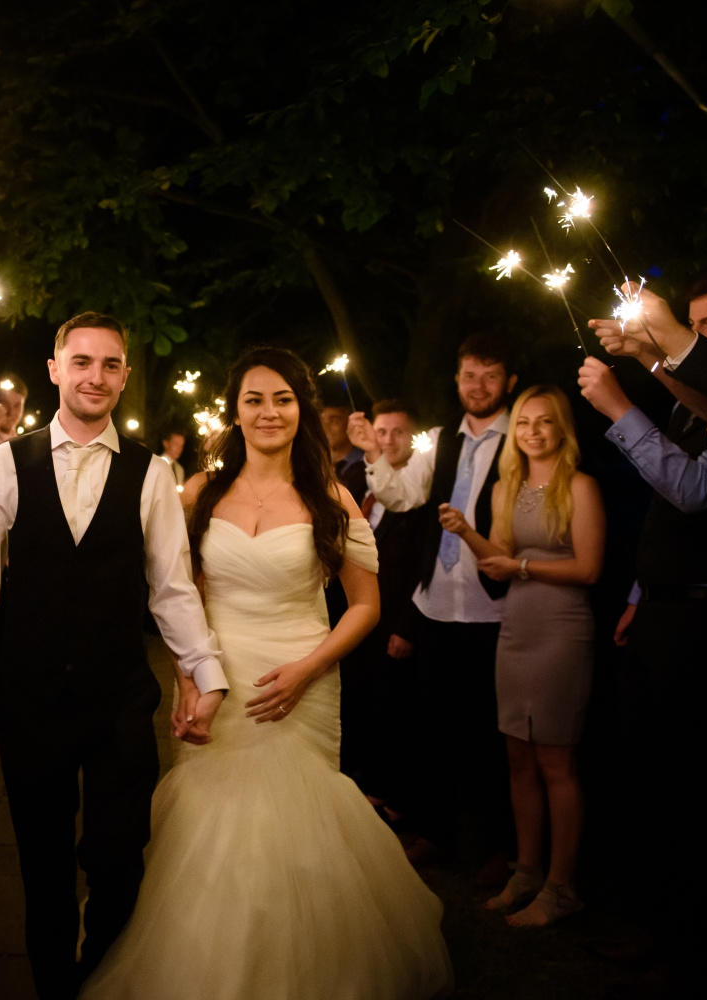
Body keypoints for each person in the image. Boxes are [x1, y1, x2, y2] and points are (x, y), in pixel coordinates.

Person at [80, 347, 452, 999]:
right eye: (254, 399)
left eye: (282, 398)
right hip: (220, 682)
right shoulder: (200, 493)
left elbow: (367, 605)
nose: (269, 411)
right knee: (214, 826)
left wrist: (309, 668)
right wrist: (188, 681)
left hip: (301, 678)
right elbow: (183, 598)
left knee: (293, 826)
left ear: (302, 409)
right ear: (234, 412)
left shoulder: (330, 497)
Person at [0, 312, 230, 999]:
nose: (95, 376)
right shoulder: (3, 467)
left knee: (120, 859)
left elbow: (172, 587)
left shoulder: (151, 472)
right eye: (82, 361)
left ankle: (102, 977)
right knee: (41, 870)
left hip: (120, 699)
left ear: (124, 376)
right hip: (31, 698)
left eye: (109, 364)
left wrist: (205, 669)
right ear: (55, 369)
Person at [438, 385, 604, 927]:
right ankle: (527, 870)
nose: (533, 432)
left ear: (562, 430)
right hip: (517, 628)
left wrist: (524, 570)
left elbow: (588, 570)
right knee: (518, 756)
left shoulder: (579, 486)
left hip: (561, 629)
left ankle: (563, 886)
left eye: (545, 423)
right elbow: (500, 559)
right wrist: (466, 533)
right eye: (526, 423)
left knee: (556, 759)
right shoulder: (508, 489)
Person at [363, 332, 516, 869]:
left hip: (494, 605)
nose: (478, 385)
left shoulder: (520, 434)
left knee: (491, 730)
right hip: (436, 602)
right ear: (456, 380)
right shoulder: (436, 439)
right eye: (469, 375)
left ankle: (494, 841)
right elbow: (403, 496)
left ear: (509, 382)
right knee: (434, 726)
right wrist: (375, 456)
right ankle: (434, 829)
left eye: (490, 374)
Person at [342, 399, 426, 816]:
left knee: (392, 707)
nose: (388, 439)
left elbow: (423, 560)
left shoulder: (421, 485)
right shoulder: (356, 475)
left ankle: (390, 796)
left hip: (396, 613)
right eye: (381, 431)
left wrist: (408, 626)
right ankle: (353, 783)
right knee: (355, 698)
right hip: (353, 612)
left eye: (398, 432)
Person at [320, 402, 368, 501]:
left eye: (334, 421)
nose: (325, 428)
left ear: (351, 424)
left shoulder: (367, 466)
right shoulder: (314, 464)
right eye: (321, 422)